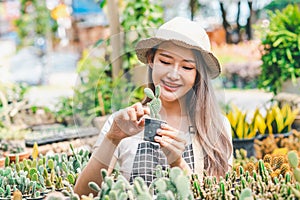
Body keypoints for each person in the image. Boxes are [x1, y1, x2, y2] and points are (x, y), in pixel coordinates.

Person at [74, 17, 233, 196]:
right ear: (151, 59)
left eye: (187, 67)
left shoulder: (216, 126)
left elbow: (218, 195)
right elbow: (82, 194)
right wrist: (112, 138)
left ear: (198, 74)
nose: (174, 75)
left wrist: (177, 163)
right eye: (165, 62)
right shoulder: (122, 123)